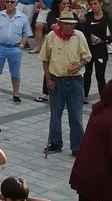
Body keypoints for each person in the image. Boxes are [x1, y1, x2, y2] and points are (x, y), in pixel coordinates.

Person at [38, 12, 91, 155]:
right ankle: (55, 143)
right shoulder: (51, 36)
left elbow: (87, 57)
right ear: (59, 24)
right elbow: (45, 59)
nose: (68, 26)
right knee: (55, 114)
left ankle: (78, 148)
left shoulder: (79, 36)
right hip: (57, 80)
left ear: (75, 25)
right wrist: (48, 79)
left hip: (76, 81)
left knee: (76, 116)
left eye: (71, 24)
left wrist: (79, 65)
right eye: (65, 23)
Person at [0, 0, 31, 104]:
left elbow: (26, 33)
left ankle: (15, 93)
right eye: (7, 1)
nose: (9, 4)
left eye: (12, 2)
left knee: (15, 72)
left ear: (17, 3)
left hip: (15, 48)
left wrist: (21, 45)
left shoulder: (22, 17)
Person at [76, 0, 112, 102]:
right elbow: (82, 32)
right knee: (86, 74)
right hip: (88, 50)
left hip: (101, 51)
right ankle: (84, 95)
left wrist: (103, 40)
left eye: (95, 4)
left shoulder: (107, 17)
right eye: (91, 4)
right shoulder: (88, 16)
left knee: (100, 76)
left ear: (101, 3)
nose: (93, 6)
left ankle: (103, 98)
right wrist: (81, 21)